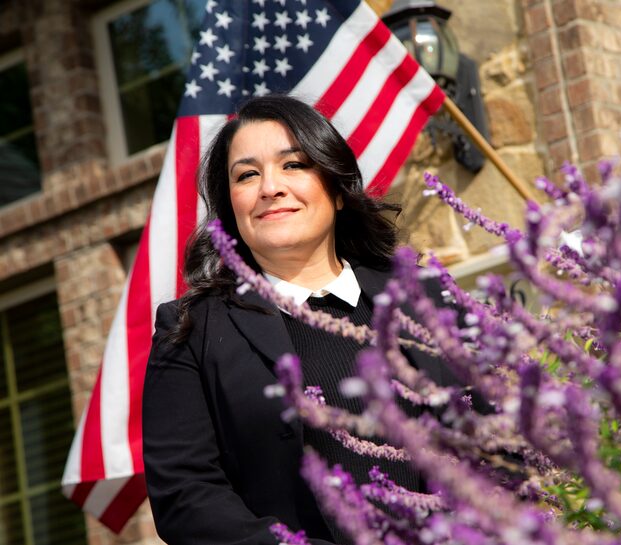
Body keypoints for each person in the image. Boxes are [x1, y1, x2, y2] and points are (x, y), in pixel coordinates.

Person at [142, 95, 459, 544]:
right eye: (247, 174)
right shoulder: (191, 331)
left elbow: (500, 441)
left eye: (293, 165)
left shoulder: (424, 297)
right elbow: (185, 497)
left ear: (336, 187)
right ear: (230, 207)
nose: (270, 186)